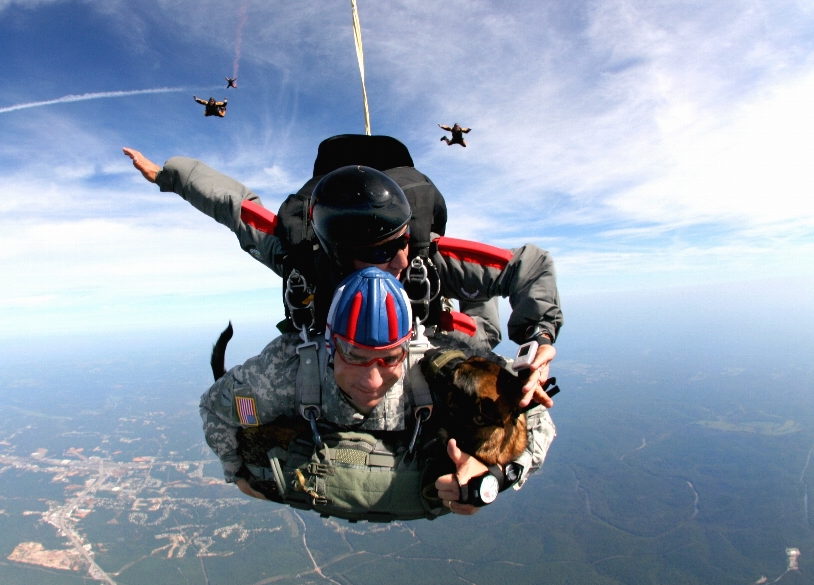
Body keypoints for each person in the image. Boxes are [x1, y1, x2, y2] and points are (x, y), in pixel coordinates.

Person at [122, 146, 562, 407]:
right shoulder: (303, 257)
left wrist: (537, 342)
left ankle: (472, 302)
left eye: (399, 243)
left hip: (425, 323)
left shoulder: (425, 257)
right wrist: (169, 176)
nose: (394, 261)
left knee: (480, 340)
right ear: (335, 254)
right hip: (332, 329)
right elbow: (237, 208)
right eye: (374, 254)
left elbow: (530, 266)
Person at [199, 267, 557, 517]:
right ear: (329, 346)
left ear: (408, 346)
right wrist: (238, 472)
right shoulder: (284, 373)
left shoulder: (438, 360)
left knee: (482, 335)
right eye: (354, 355)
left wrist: (495, 475)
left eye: (389, 359)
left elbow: (539, 417)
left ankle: (477, 300)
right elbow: (216, 408)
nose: (371, 380)